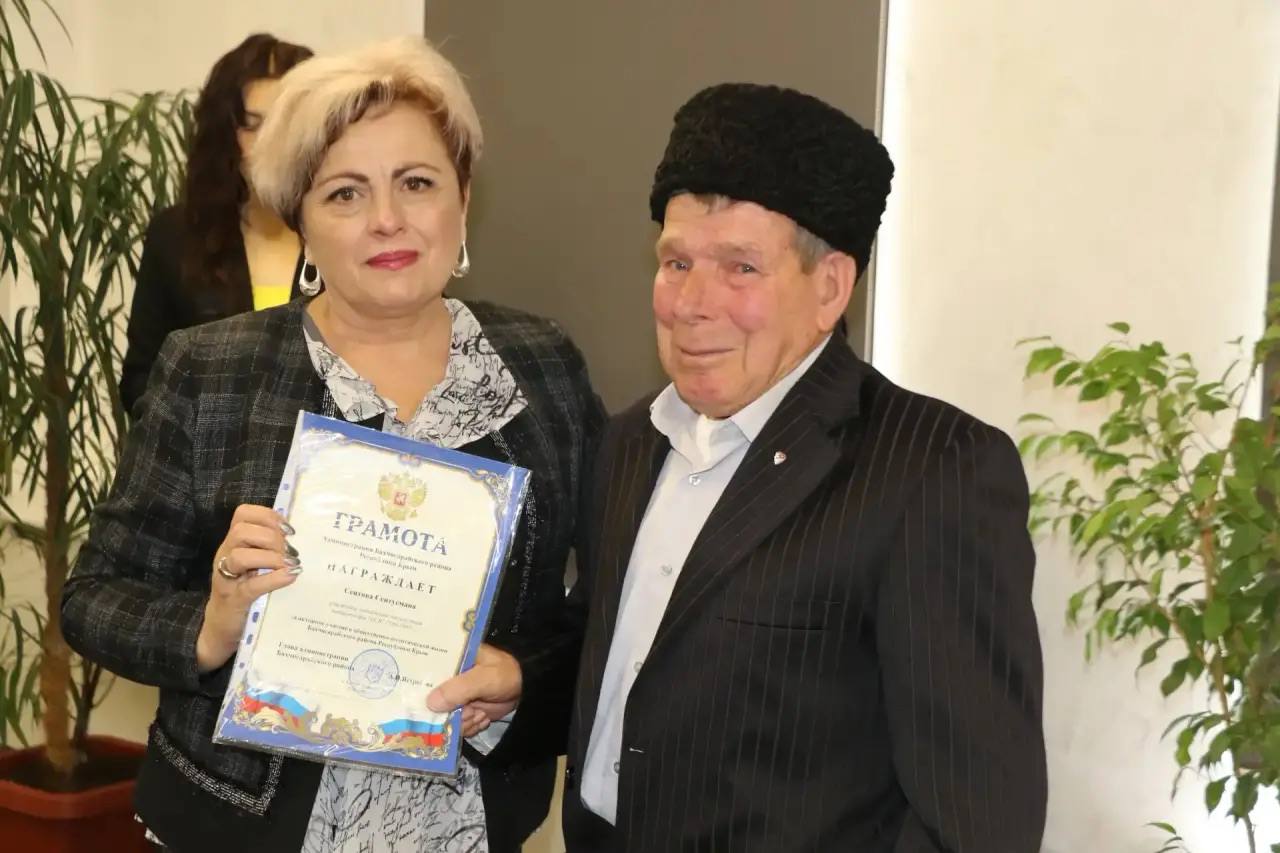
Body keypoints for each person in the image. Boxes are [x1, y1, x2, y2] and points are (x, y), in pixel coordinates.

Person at [63, 36, 603, 853]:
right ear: (302, 221)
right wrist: (212, 626)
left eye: (416, 182)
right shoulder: (213, 368)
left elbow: (608, 602)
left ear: (462, 196)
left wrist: (524, 677)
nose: (387, 219)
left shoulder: (544, 365)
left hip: (467, 826)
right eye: (345, 193)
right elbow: (94, 595)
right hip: (239, 826)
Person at [562, 83, 1048, 852]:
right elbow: (622, 674)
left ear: (829, 288)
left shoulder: (934, 470)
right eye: (676, 261)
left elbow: (975, 819)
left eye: (740, 267)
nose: (691, 302)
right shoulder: (628, 443)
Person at [119, 33, 313, 416]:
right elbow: (140, 383)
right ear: (225, 134)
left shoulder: (344, 237)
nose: (269, 144)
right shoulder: (175, 236)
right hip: (202, 451)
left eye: (284, 126)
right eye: (252, 126)